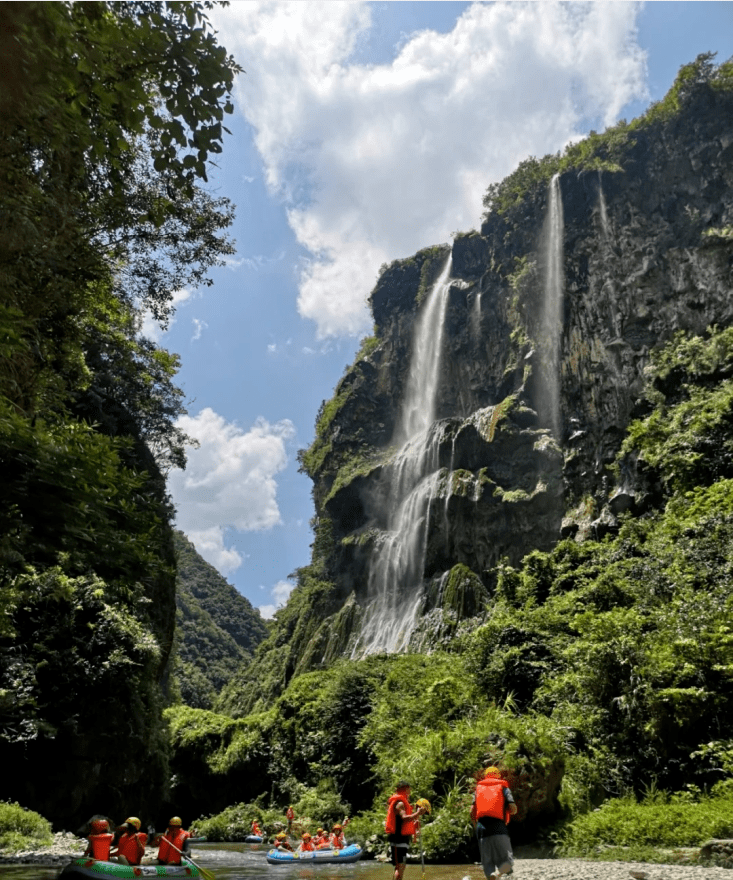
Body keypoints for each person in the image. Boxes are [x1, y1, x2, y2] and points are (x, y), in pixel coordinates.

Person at [470, 767, 518, 880]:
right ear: (498, 776)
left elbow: (472, 811)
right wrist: (511, 811)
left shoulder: (478, 788)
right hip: (498, 827)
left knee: (487, 862)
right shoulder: (503, 787)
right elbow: (512, 807)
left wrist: (475, 826)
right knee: (508, 860)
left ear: (486, 776)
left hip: (481, 828)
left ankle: (492, 875)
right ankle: (498, 874)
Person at [385, 781, 426, 880]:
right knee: (400, 867)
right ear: (404, 789)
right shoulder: (399, 803)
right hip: (398, 839)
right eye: (409, 789)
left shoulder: (401, 802)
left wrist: (414, 827)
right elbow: (404, 818)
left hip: (401, 838)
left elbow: (405, 821)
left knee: (400, 867)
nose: (410, 792)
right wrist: (417, 813)